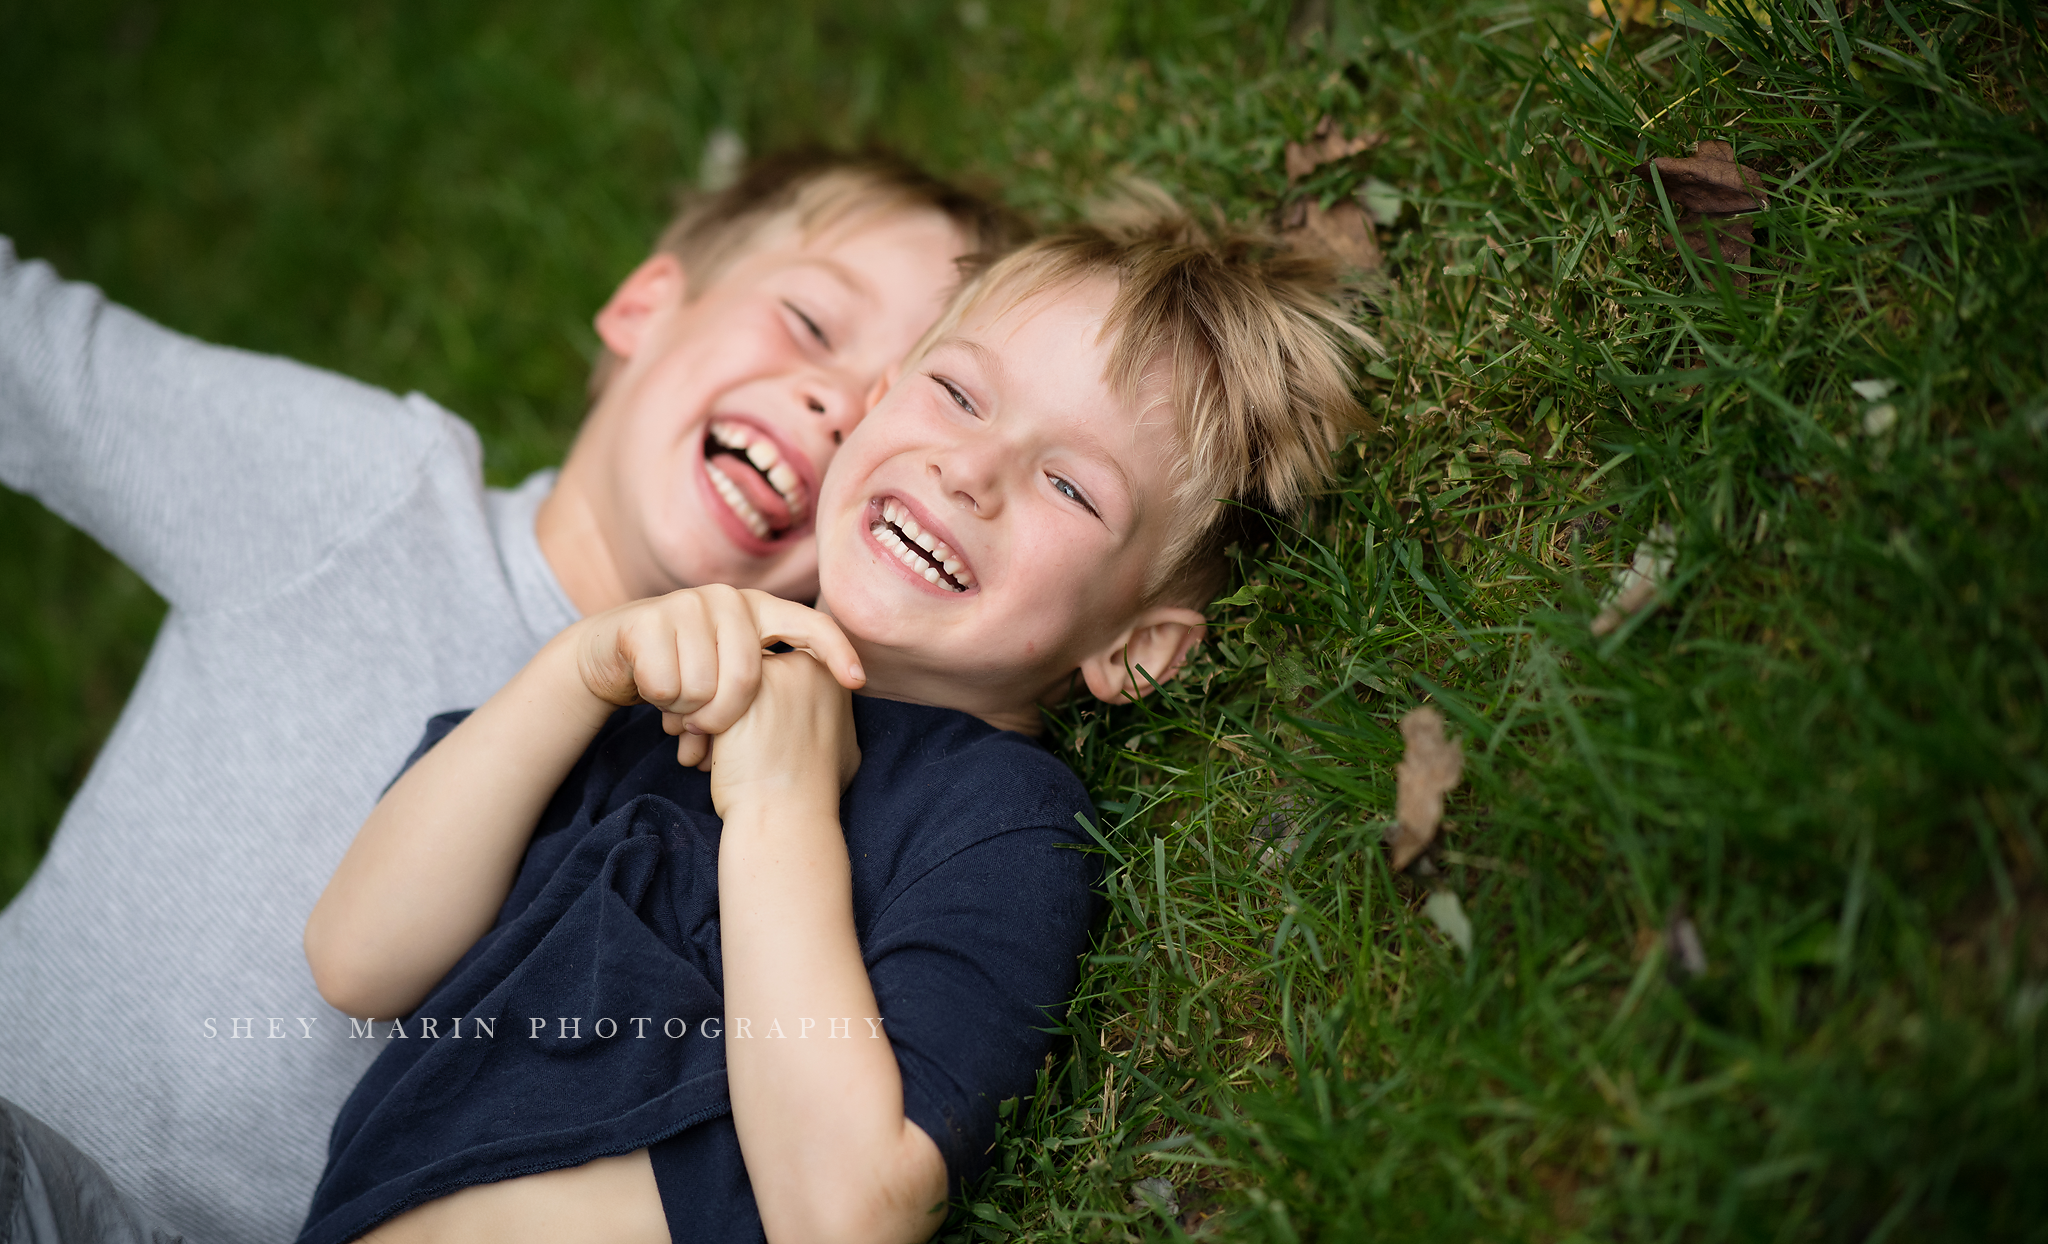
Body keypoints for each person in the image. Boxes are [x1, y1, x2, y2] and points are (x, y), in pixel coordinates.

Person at [294, 206, 1371, 1243]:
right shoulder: (661, 673)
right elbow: (357, 958)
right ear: (878, 404)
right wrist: (575, 672)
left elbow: (851, 1211)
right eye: (957, 394)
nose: (969, 469)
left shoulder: (999, 820)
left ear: (1133, 647)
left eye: (1068, 485)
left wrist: (777, 807)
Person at [0, 150, 1014, 1244]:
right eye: (811, 323)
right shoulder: (371, 496)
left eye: (885, 413)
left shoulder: (775, 779)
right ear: (644, 305)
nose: (830, 409)